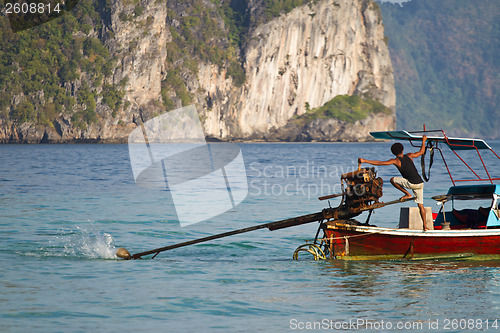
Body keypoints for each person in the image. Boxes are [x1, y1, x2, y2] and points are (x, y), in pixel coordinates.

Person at [358, 136, 429, 231]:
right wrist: (423, 141)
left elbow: (380, 163)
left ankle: (407, 194)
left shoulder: (395, 161)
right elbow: (421, 152)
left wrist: (365, 161)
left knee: (392, 180)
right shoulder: (410, 155)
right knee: (421, 206)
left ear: (393, 153)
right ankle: (425, 227)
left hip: (411, 183)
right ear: (402, 150)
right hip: (420, 183)